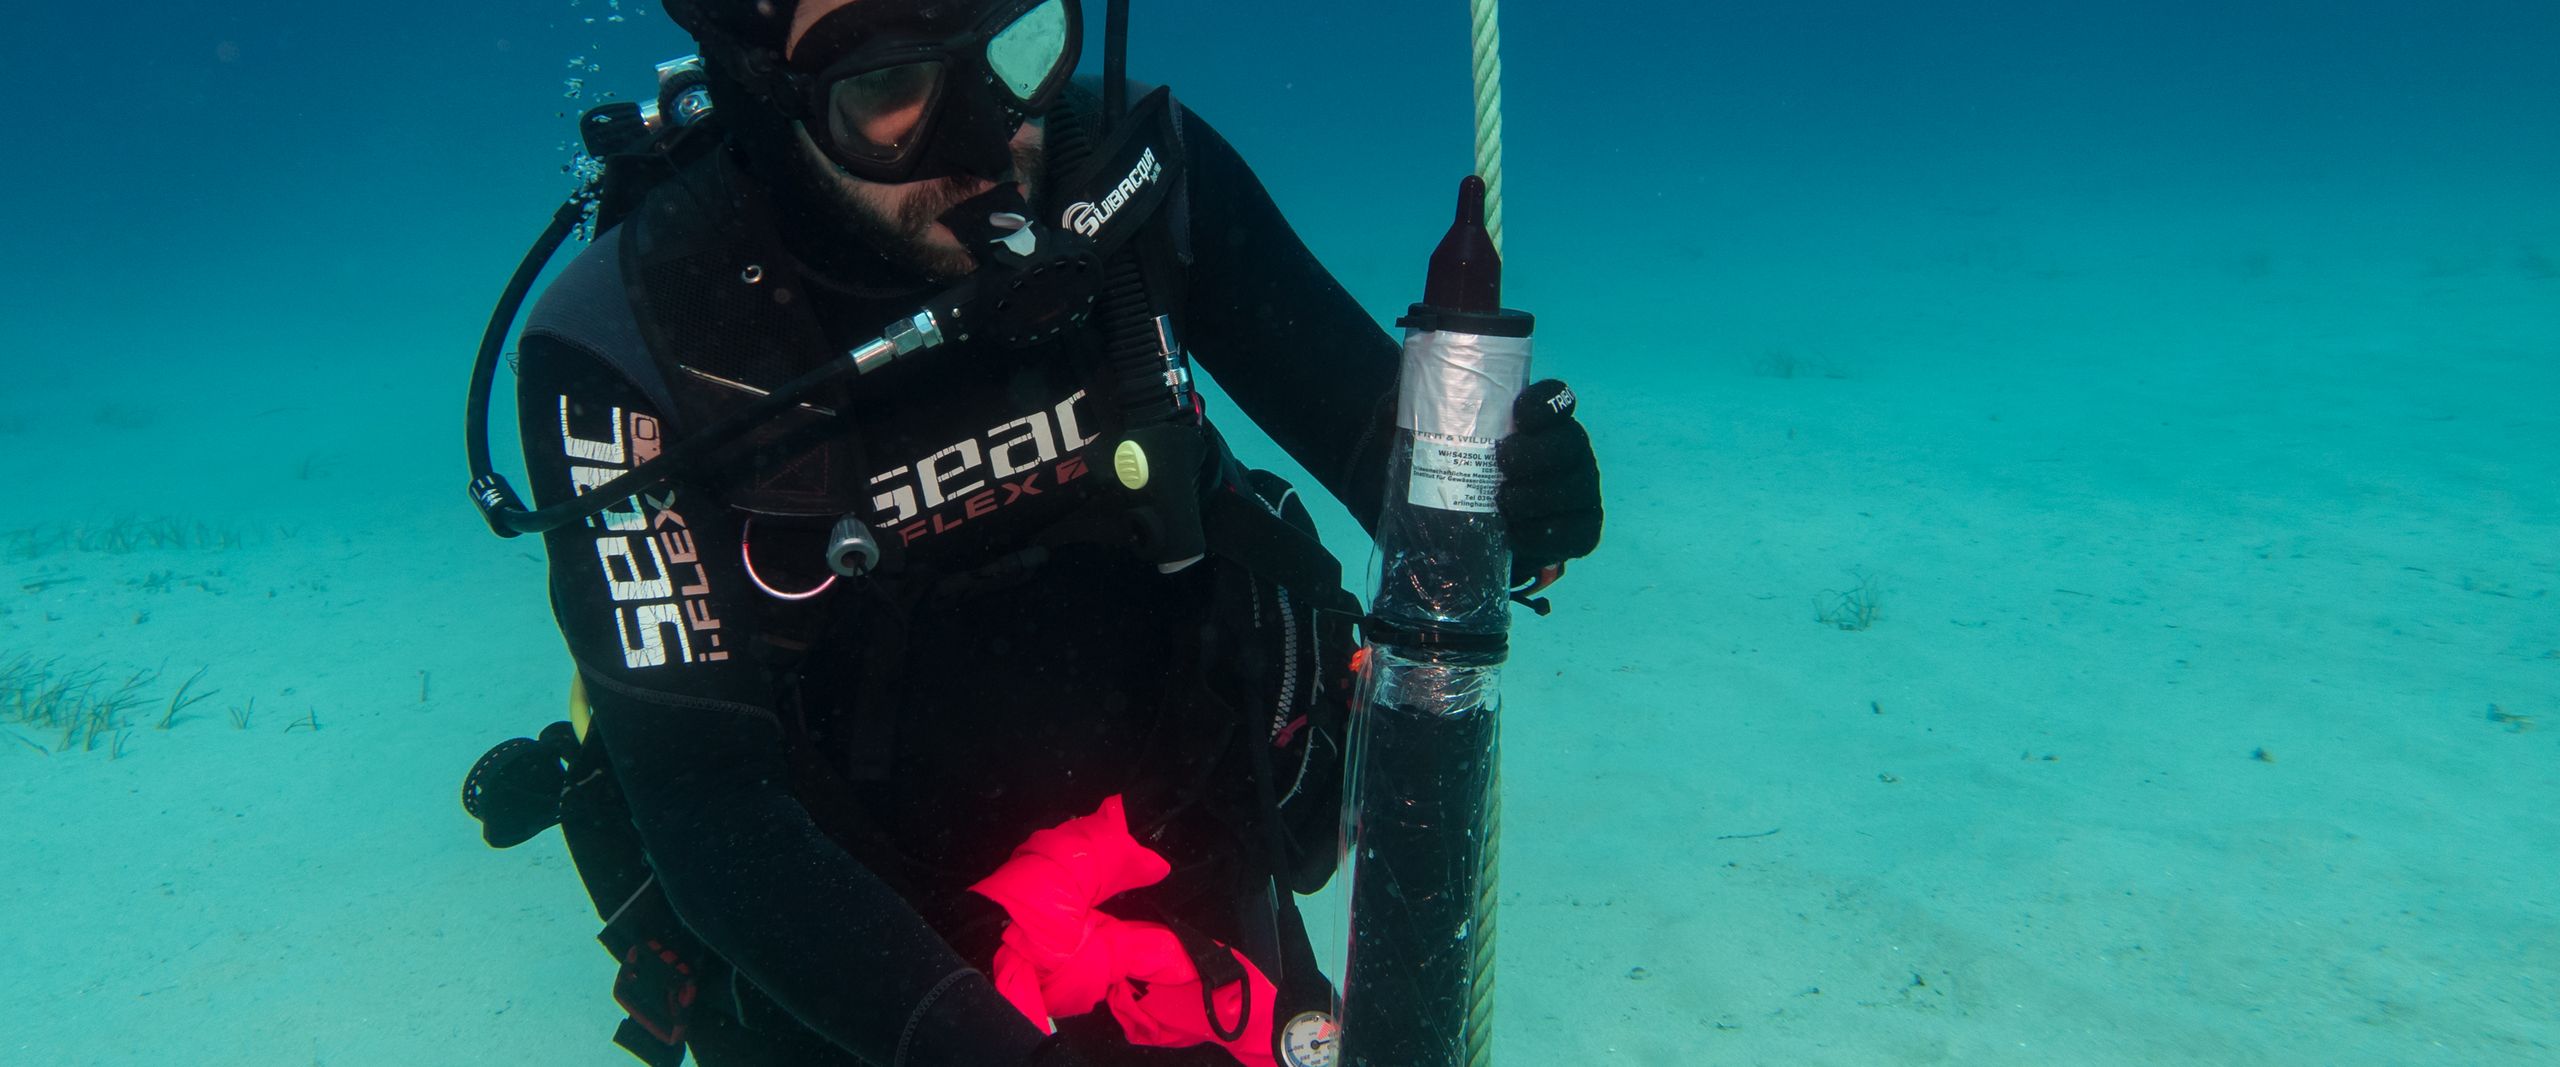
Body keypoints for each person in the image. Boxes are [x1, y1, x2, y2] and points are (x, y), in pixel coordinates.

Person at [490, 1, 1601, 1064]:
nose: (989, 137)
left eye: (1012, 44)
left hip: (1175, 878)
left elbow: (1379, 448)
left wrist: (1508, 496)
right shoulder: (630, 344)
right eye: (888, 85)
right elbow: (713, 813)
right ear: (763, 76)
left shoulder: (1129, 167)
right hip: (861, 970)